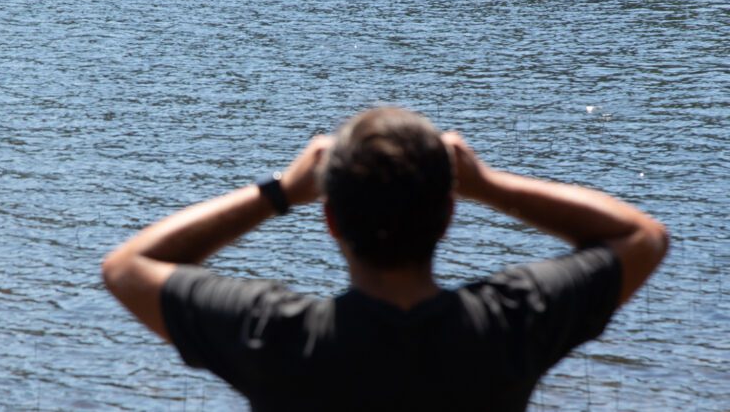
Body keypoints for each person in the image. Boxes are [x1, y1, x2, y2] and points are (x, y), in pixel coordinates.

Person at [102, 106, 668, 411]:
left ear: (329, 221)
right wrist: (488, 185)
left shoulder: (277, 336)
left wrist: (279, 192)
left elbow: (127, 267)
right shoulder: (509, 325)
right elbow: (641, 237)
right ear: (447, 217)